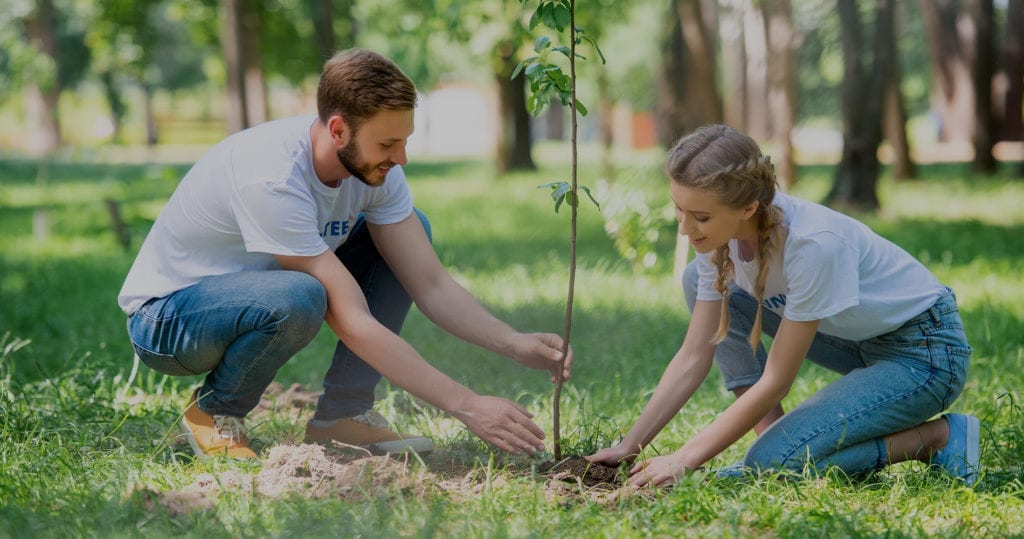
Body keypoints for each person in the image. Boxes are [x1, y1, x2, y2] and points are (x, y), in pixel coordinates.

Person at [118, 48, 571, 460]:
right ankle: (214, 411)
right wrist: (467, 406)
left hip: (254, 298)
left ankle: (343, 417)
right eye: (388, 144)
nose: (402, 159)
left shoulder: (377, 171)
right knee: (300, 297)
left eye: (405, 141)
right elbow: (351, 319)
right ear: (338, 129)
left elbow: (430, 284)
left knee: (409, 231)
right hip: (169, 321)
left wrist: (514, 342)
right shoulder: (274, 177)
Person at [587, 124, 979, 487]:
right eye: (679, 209)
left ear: (747, 208)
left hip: (923, 355)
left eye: (700, 216)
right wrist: (630, 444)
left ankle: (937, 439)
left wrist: (685, 458)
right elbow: (694, 355)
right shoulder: (714, 240)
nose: (685, 228)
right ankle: (773, 438)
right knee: (696, 280)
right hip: (856, 342)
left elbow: (777, 378)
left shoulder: (812, 245)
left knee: (775, 466)